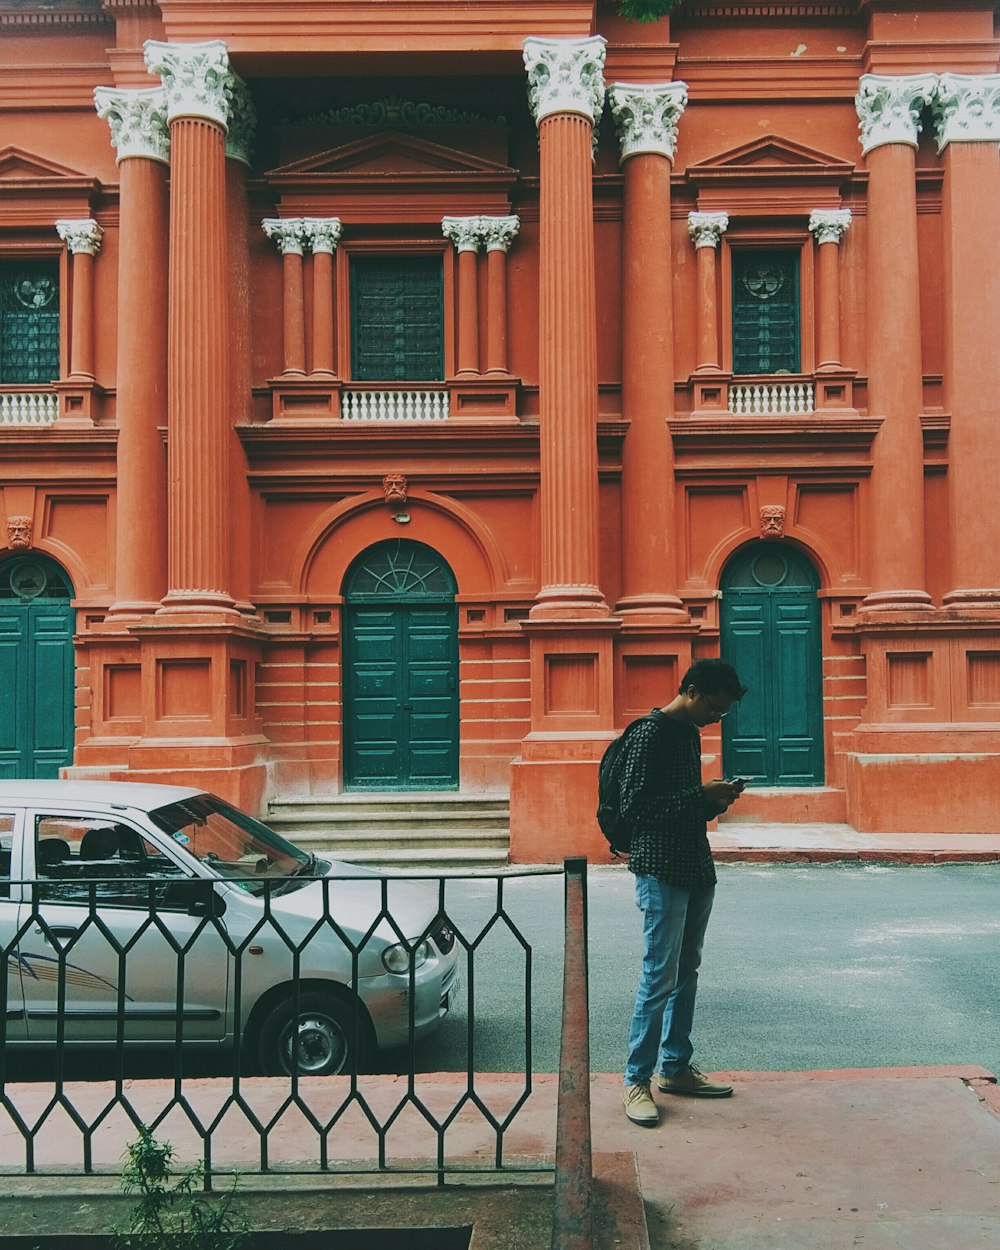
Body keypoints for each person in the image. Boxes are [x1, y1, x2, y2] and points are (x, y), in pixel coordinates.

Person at [620, 657, 748, 1127]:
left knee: (686, 970)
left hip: (695, 864)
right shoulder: (649, 733)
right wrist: (700, 796)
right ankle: (637, 1080)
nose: (718, 718)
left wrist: (713, 801)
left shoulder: (690, 734)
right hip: (659, 870)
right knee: (659, 975)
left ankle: (674, 1068)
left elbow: (677, 807)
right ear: (692, 691)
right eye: (715, 707)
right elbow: (636, 809)